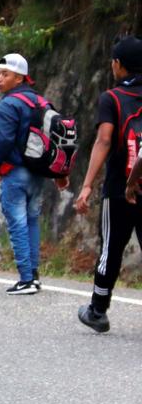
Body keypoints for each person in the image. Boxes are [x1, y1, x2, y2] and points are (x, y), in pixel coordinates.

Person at [74, 37, 142, 332]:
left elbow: (104, 140)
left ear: (118, 64)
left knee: (111, 248)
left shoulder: (112, 98)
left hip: (120, 188)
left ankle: (97, 311)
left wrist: (87, 185)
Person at [0, 53, 68, 295]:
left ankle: (25, 279)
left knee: (18, 224)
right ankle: (33, 275)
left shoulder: (8, 105)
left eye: (6, 74)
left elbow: (0, 141)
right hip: (38, 173)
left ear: (20, 77)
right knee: (32, 221)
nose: (0, 78)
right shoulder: (42, 102)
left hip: (15, 173)